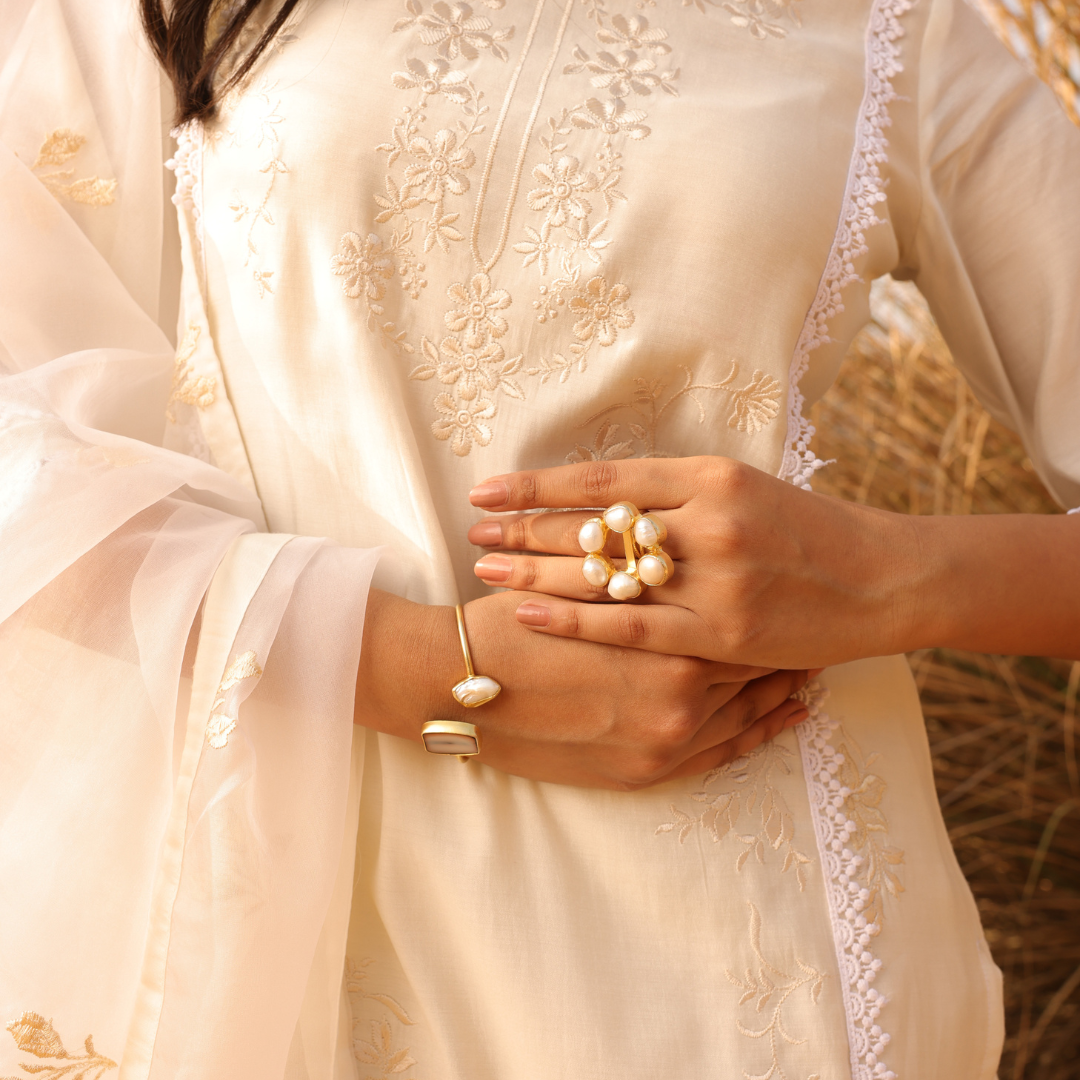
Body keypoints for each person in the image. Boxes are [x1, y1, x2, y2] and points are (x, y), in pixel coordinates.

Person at [0, 0, 1077, 1075]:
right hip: (303, 933)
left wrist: (882, 579)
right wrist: (417, 670)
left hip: (764, 957)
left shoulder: (898, 32)